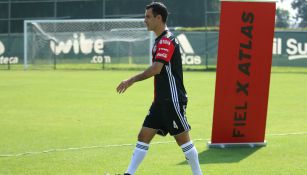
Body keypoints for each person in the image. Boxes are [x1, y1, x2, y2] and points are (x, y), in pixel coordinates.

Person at [116, 2, 202, 175]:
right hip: (160, 101)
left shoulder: (167, 40)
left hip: (172, 100)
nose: (145, 20)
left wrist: (131, 80)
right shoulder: (159, 41)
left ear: (158, 18)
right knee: (143, 136)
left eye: (148, 16)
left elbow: (156, 69)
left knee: (183, 141)